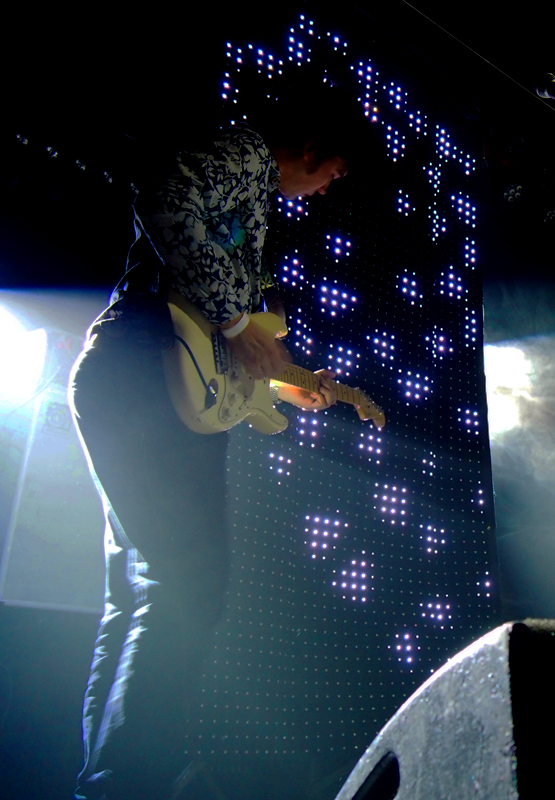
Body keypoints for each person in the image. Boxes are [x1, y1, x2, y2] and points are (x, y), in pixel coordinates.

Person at [69, 85, 375, 799]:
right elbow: (163, 198)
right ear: (309, 149)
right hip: (143, 376)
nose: (327, 190)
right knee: (187, 582)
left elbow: (226, 343)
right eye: (332, 173)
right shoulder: (246, 155)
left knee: (141, 591)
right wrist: (239, 326)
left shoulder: (255, 216)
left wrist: (288, 381)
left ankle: (109, 776)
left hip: (134, 381)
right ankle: (129, 779)